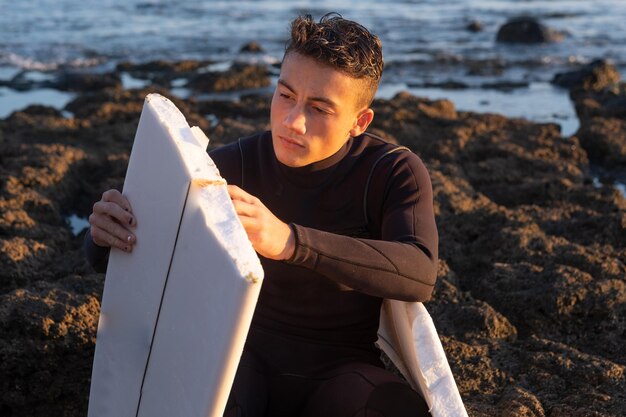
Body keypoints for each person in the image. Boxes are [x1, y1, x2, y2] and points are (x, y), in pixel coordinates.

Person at [85, 13, 438, 417]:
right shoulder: (232, 165)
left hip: (340, 371)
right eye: (286, 95)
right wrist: (101, 233)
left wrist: (291, 242)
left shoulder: (390, 171)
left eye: (319, 108)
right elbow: (133, 246)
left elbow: (419, 271)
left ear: (359, 121)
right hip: (238, 361)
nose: (292, 121)